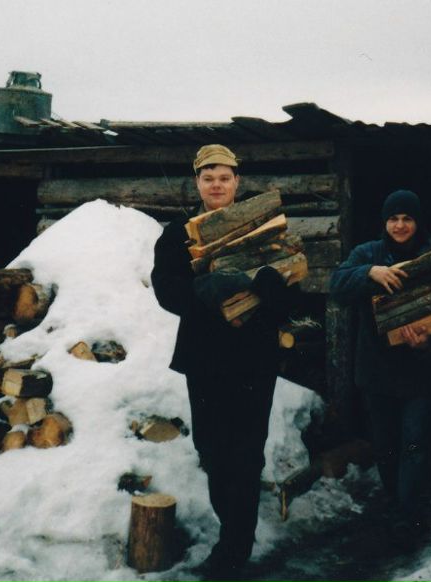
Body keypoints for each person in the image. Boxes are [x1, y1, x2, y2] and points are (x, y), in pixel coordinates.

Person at [150, 143, 294, 579]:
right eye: (209, 177)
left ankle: (234, 547)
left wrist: (273, 285)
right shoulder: (178, 234)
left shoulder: (262, 228)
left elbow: (292, 287)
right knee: (213, 451)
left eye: (225, 177)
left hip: (254, 358)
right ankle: (234, 532)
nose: (217, 184)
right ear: (198, 182)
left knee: (246, 453)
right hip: (206, 358)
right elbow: (165, 290)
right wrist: (201, 289)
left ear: (237, 182)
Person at [329, 189, 431, 520]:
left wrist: (427, 344)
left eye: (407, 218)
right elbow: (336, 284)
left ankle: (407, 513)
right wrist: (370, 273)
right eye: (393, 218)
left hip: (418, 376)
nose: (399, 225)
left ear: (417, 222)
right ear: (385, 222)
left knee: (414, 445)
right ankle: (397, 502)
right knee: (385, 447)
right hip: (377, 372)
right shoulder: (368, 253)